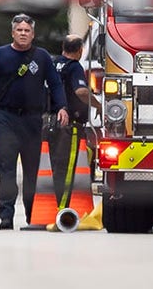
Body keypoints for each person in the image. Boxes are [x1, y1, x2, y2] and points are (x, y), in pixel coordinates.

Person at [0, 14, 68, 230]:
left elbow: (55, 85)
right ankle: (6, 215)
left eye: (27, 30)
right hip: (6, 117)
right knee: (7, 168)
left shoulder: (42, 57)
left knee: (32, 170)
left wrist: (62, 108)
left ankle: (32, 215)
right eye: (19, 30)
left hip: (33, 120)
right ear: (13, 33)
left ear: (33, 34)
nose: (23, 34)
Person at [48, 34, 97, 210]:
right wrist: (98, 105)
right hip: (71, 124)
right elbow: (81, 92)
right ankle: (63, 207)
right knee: (68, 167)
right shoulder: (75, 67)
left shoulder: (54, 64)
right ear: (79, 50)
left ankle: (54, 204)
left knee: (54, 165)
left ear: (63, 47)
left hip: (51, 122)